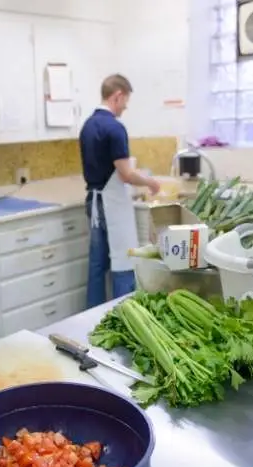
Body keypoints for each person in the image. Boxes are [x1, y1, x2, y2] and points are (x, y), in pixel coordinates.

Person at [79, 74, 161, 308]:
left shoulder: (87, 126)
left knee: (97, 264)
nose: (125, 107)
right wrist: (150, 182)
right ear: (118, 95)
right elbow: (125, 174)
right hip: (111, 205)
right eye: (125, 101)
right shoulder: (115, 128)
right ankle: (124, 313)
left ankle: (91, 315)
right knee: (124, 259)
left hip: (93, 202)